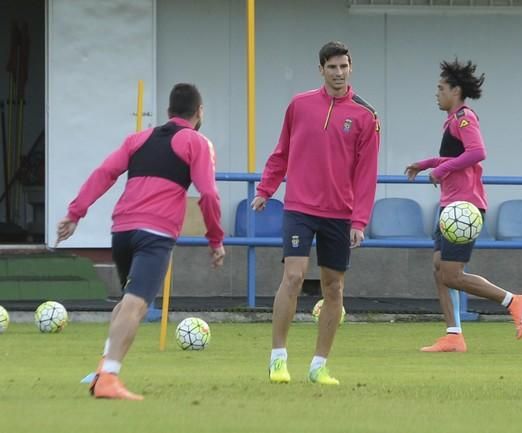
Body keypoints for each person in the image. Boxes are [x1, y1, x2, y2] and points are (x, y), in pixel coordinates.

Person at [56, 83, 226, 400]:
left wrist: (75, 213)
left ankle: (102, 369)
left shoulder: (139, 138)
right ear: (199, 112)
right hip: (156, 233)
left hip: (122, 230)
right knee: (136, 304)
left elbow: (105, 172)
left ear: (168, 112)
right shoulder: (197, 143)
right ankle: (109, 378)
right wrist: (215, 239)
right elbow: (208, 194)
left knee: (126, 301)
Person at [252, 41, 380, 385]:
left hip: (339, 213)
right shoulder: (299, 105)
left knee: (334, 289)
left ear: (350, 68)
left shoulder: (366, 116)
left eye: (344, 67)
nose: (338, 73)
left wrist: (360, 221)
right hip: (299, 207)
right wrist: (266, 189)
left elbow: (367, 174)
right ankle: (278, 359)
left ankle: (318, 365)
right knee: (293, 276)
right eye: (332, 67)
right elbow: (282, 152)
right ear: (320, 69)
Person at [405, 59, 522, 353]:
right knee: (439, 268)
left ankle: (513, 301)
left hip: (464, 208)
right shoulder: (451, 121)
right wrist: (426, 164)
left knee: (451, 274)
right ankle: (453, 335)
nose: (436, 93)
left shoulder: (465, 118)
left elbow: (477, 152)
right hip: (450, 206)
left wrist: (440, 171)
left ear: (456, 91)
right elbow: (455, 157)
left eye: (441, 88)